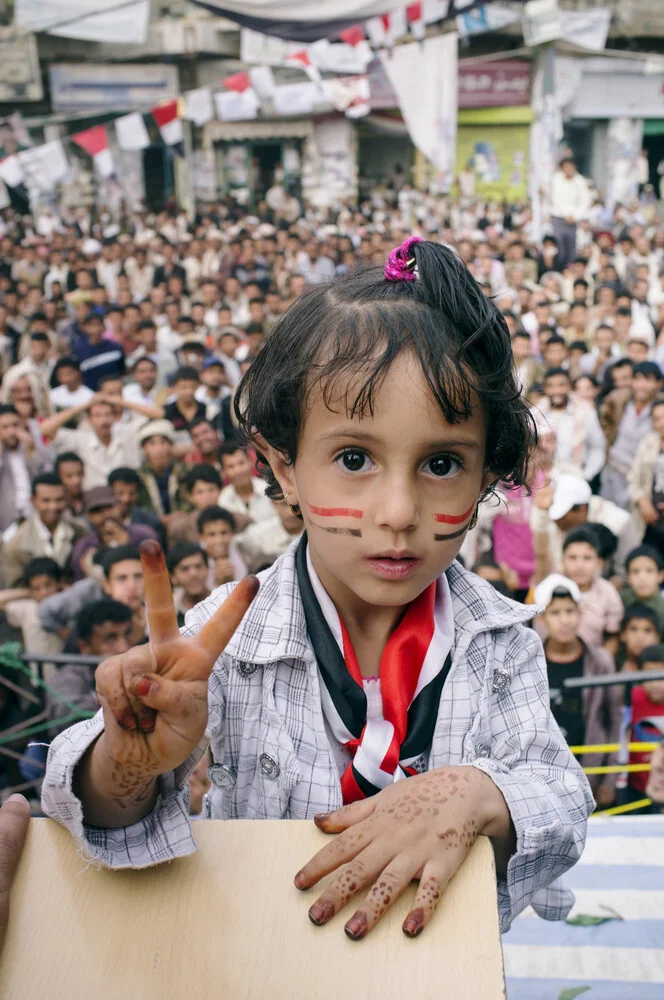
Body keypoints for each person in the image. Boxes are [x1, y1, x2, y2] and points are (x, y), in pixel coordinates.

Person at [42, 238, 592, 939]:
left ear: (488, 475)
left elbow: (563, 800)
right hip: (256, 960)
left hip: (434, 974)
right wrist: (127, 765)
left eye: (443, 462)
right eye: (354, 457)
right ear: (283, 466)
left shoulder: (500, 642)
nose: (397, 511)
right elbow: (90, 810)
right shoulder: (223, 638)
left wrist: (480, 794)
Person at [534, 574, 622, 807]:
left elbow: (614, 719)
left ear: (580, 613)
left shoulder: (600, 660)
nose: (565, 620)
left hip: (589, 772)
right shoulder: (532, 660)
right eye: (555, 613)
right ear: (542, 619)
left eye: (570, 611)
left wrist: (609, 780)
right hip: (543, 777)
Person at [46, 600, 133, 739]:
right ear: (84, 647)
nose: (123, 647)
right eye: (110, 638)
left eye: (127, 635)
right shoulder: (67, 679)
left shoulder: (137, 668)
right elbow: (76, 726)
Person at [38, 544, 146, 646]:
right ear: (106, 584)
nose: (132, 586)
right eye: (122, 578)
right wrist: (67, 636)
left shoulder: (154, 605)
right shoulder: (87, 593)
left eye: (138, 576)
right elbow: (45, 610)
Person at [2, 473, 87, 587]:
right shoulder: (16, 545)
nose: (53, 507)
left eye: (59, 500)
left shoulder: (80, 531)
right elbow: (15, 585)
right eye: (46, 501)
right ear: (33, 501)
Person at [40, 395, 143, 490]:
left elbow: (158, 414)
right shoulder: (81, 438)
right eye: (97, 415)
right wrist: (84, 406)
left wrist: (119, 401)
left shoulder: (126, 434)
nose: (104, 420)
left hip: (124, 497)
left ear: (114, 417)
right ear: (90, 419)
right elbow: (44, 429)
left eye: (108, 415)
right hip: (93, 499)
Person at [600, 361, 663, 510]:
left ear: (658, 383)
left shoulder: (660, 408)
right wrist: (608, 446)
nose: (642, 385)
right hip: (613, 469)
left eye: (648, 380)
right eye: (638, 379)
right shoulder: (620, 400)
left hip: (640, 477)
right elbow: (604, 420)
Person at [559, 527, 624, 653]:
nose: (580, 565)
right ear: (562, 561)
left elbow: (612, 637)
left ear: (599, 563)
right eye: (572, 558)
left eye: (587, 558)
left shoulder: (607, 592)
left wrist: (600, 664)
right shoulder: (552, 586)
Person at [536, 368, 605, 483]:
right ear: (544, 388)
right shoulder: (535, 414)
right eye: (551, 386)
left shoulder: (585, 411)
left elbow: (597, 447)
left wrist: (586, 475)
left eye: (561, 385)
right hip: (543, 482)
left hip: (575, 478)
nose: (556, 390)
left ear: (569, 386)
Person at [0, 402, 51, 533]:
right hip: (6, 521)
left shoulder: (31, 446)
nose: (11, 431)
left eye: (15, 425)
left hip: (34, 517)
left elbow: (47, 476)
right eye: (4, 427)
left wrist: (32, 452)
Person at [624, 644, 664, 813]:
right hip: (635, 785)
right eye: (649, 676)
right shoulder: (633, 697)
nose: (655, 684)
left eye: (661, 676)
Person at [628, 394, 664, 553]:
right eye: (657, 419)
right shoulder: (648, 443)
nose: (662, 423)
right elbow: (634, 477)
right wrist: (642, 500)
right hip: (650, 516)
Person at [136, 419, 189, 526]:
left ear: (171, 445)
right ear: (144, 448)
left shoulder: (186, 471)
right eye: (152, 444)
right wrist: (159, 519)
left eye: (163, 442)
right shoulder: (138, 477)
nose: (159, 449)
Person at [235, 498, 305, 573]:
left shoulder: (316, 532)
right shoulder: (258, 534)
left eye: (297, 505)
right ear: (273, 503)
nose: (291, 512)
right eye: (284, 505)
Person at [550, 158, 591, 270]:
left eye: (571, 166)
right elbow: (555, 199)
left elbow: (585, 201)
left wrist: (575, 216)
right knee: (559, 248)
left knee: (572, 249)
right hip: (559, 218)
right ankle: (558, 270)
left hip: (574, 220)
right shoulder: (556, 180)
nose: (569, 169)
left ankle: (570, 271)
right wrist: (566, 215)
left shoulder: (580, 181)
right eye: (566, 166)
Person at [218, 444, 273, 525]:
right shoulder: (223, 500)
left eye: (241, 463)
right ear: (223, 471)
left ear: (250, 461)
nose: (238, 471)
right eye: (231, 466)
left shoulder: (269, 490)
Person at [197, 505, 247, 588]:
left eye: (224, 533)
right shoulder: (196, 562)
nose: (219, 540)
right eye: (211, 535)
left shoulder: (245, 554)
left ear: (232, 533)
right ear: (202, 537)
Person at [620, 545, 664, 635]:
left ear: (660, 575)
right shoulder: (619, 601)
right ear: (627, 577)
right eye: (635, 571)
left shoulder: (662, 608)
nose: (642, 578)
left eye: (649, 571)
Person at [167, 542, 210, 625]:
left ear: (207, 569)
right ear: (173, 577)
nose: (193, 574)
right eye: (184, 569)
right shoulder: (168, 613)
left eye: (198, 566)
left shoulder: (224, 602)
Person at [54, 451, 85, 518]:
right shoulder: (55, 507)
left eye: (79, 474)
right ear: (58, 477)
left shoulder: (91, 501)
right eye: (69, 476)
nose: (76, 481)